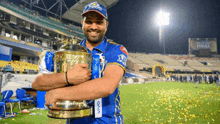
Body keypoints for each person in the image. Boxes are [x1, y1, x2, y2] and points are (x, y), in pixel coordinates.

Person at [32, 2, 127, 124]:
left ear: (106, 25)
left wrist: (59, 93)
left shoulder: (115, 50)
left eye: (99, 22)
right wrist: (67, 77)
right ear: (82, 24)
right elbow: (37, 82)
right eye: (89, 22)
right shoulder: (69, 51)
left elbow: (108, 86)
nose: (93, 27)